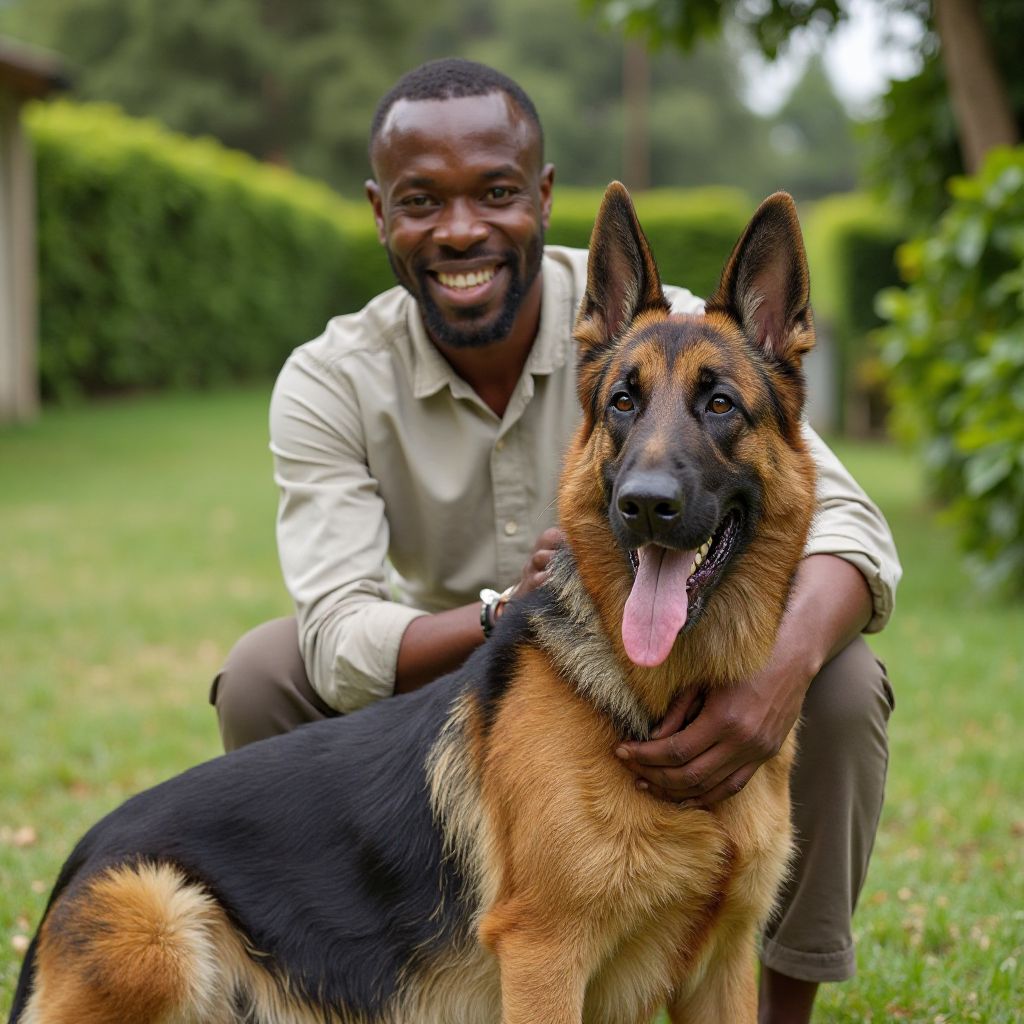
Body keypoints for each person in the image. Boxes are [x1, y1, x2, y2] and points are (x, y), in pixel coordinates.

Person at [210, 58, 900, 1024]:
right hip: (452, 679)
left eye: (494, 193)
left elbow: (850, 520)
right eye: (421, 201)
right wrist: (507, 614)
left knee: (844, 678)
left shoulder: (675, 337)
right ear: (378, 213)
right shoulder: (330, 379)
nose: (460, 230)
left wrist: (776, 675)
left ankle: (782, 1001)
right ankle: (338, 965)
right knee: (260, 669)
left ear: (540, 198)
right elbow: (333, 632)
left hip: (668, 648)